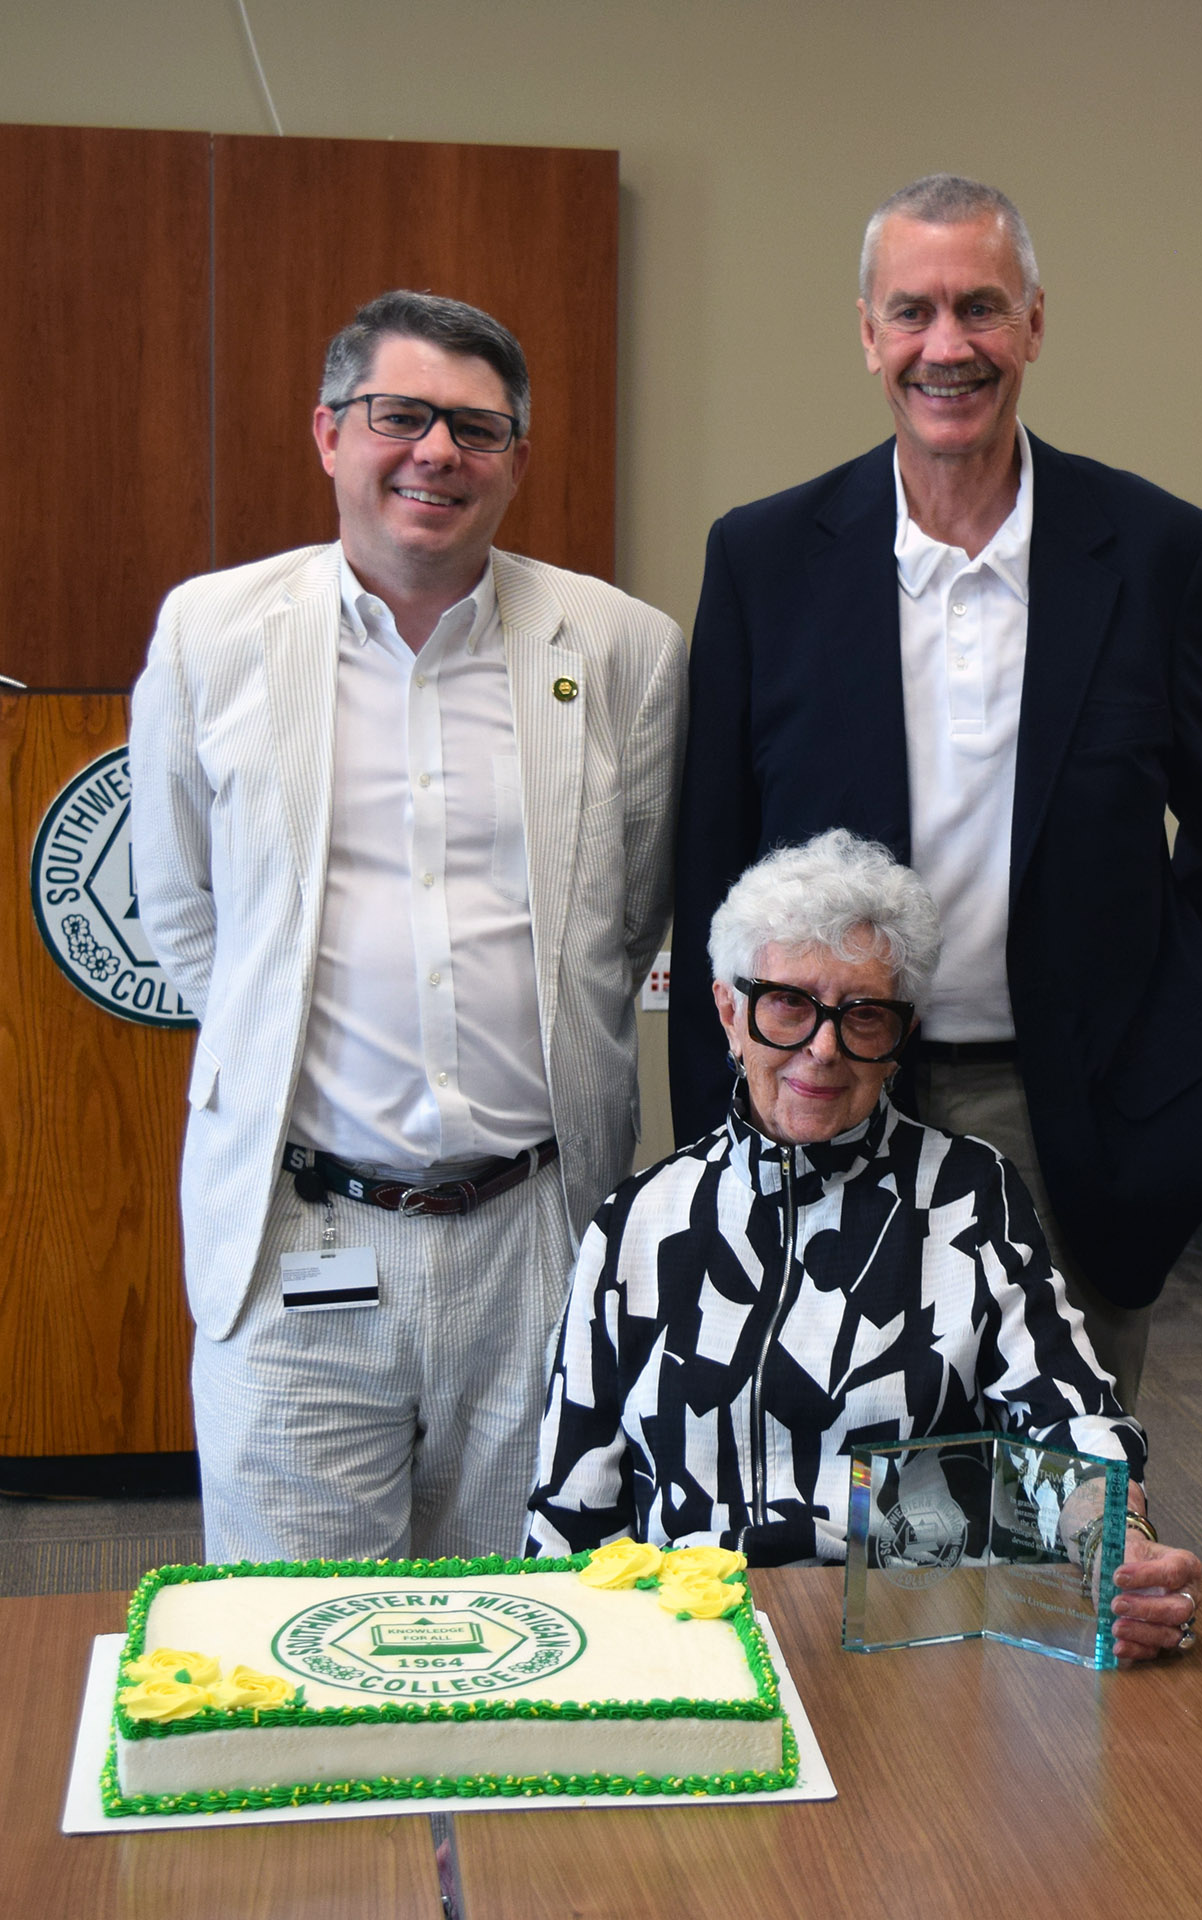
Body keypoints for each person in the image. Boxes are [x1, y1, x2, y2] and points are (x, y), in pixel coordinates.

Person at [668, 174, 1202, 1410]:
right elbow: (713, 870)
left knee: (1043, 1515)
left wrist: (1186, 1088)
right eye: (913, 313)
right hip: (827, 1085)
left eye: (981, 309)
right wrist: (719, 1143)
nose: (947, 346)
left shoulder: (1155, 553)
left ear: (1035, 325)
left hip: (1071, 1123)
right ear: (866, 334)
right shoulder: (765, 558)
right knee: (825, 1480)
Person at [130, 290, 687, 1564]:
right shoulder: (214, 634)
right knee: (295, 1656)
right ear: (329, 434)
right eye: (402, 416)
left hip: (537, 1235)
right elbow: (183, 910)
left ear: (517, 462)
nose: (438, 452)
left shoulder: (617, 648)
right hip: (300, 1236)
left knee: (527, 1639)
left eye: (478, 430)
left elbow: (630, 912)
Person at [531, 831, 1202, 1661]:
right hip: (687, 1646)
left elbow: (1073, 1416)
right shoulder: (638, 1222)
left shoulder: (966, 1195)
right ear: (729, 1012)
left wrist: (1115, 1533)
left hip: (911, 1640)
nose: (823, 1048)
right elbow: (569, 1510)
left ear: (900, 1036)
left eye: (864, 1016)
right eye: (788, 1004)